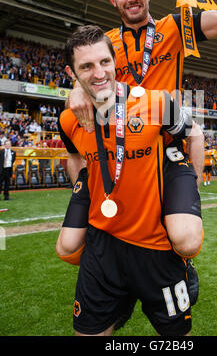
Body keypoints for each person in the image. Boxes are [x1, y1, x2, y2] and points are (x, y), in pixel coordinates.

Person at [57, 0, 217, 299]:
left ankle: (178, 252)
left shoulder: (174, 29)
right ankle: (113, 277)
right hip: (121, 153)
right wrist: (73, 91)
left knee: (182, 239)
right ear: (114, 0)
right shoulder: (106, 43)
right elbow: (83, 77)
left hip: (168, 146)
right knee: (74, 247)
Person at [57, 25, 203, 336]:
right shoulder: (69, 119)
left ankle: (182, 266)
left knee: (176, 337)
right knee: (67, 249)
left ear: (114, 61)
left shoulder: (154, 103)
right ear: (72, 72)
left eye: (105, 62)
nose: (99, 73)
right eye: (87, 66)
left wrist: (192, 187)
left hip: (154, 245)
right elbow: (73, 155)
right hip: (102, 241)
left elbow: (195, 134)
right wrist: (82, 191)